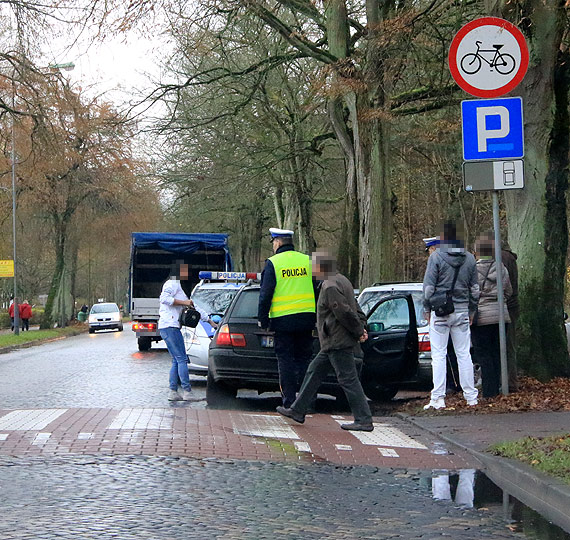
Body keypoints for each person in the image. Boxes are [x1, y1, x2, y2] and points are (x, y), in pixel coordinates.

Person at [276, 249, 374, 432]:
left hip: (336, 340)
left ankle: (364, 419)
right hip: (332, 341)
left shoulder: (329, 286)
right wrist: (361, 326)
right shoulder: (342, 280)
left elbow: (344, 311)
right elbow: (356, 307)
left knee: (348, 379)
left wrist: (359, 331)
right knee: (314, 371)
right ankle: (298, 410)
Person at [422, 220, 480, 410]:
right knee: (464, 354)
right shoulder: (470, 259)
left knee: (438, 355)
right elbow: (475, 290)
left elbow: (428, 288)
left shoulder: (436, 257)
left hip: (440, 312)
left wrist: (427, 309)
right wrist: (472, 310)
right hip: (462, 311)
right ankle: (471, 396)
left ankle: (438, 398)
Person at [258, 228, 316, 408]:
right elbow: (319, 288)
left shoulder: (273, 263)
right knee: (304, 360)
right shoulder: (308, 261)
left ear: (277, 242)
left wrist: (263, 319)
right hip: (307, 320)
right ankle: (307, 401)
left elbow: (265, 294)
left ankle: (289, 402)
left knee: (286, 361)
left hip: (283, 322)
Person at [159, 260, 218, 401]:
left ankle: (173, 391)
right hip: (170, 326)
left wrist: (210, 321)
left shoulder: (179, 287)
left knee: (176, 359)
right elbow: (164, 298)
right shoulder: (171, 284)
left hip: (168, 327)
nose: (187, 273)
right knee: (182, 359)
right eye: (184, 270)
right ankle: (187, 391)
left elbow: (195, 306)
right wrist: (184, 303)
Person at [472, 233, 513, 398]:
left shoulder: (473, 269)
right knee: (498, 352)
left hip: (482, 316)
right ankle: (498, 387)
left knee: (484, 354)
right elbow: (508, 291)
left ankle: (489, 391)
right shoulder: (501, 268)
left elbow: (471, 293)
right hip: (501, 317)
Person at [424, 235, 461, 393]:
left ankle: (448, 386)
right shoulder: (457, 261)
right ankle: (456, 384)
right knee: (459, 351)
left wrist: (426, 309)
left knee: (442, 352)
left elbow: (428, 288)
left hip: (441, 309)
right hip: (458, 309)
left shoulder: (436, 262)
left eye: (430, 250)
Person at [501, 240, 519, 392]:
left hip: (504, 306)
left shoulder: (499, 258)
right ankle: (510, 381)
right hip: (512, 306)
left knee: (503, 345)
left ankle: (507, 382)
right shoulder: (510, 257)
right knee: (510, 345)